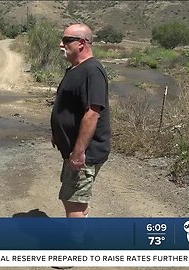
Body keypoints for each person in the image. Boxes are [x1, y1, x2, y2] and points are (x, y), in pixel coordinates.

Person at [51, 23, 111, 218]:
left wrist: (78, 153)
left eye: (67, 40)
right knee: (76, 201)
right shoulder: (75, 69)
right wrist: (58, 134)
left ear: (82, 44)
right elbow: (70, 108)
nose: (61, 44)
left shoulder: (92, 71)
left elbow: (92, 113)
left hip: (84, 154)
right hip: (74, 150)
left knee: (74, 203)